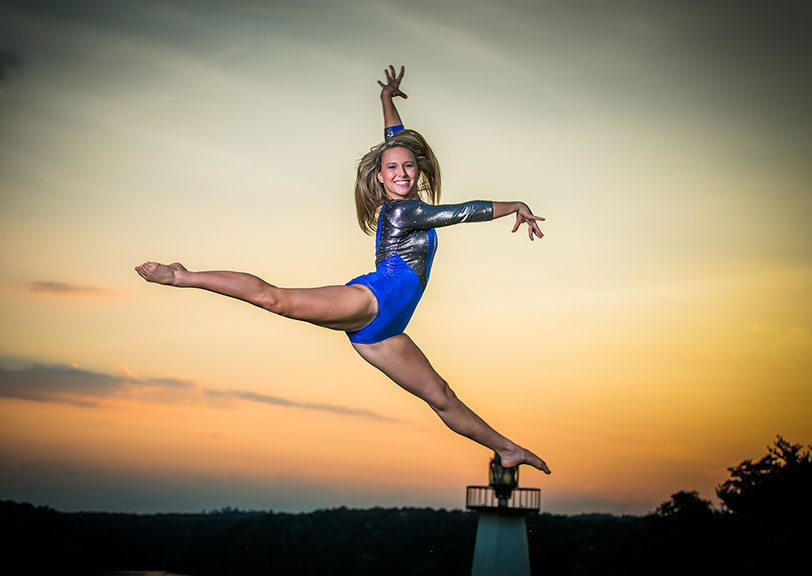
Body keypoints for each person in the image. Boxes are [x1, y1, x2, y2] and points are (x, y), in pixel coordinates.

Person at [136, 66, 550, 473]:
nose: (402, 172)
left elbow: (397, 141)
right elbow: (461, 212)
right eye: (392, 168)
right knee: (275, 300)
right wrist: (514, 205)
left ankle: (508, 449)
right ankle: (182, 276)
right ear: (380, 177)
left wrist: (386, 100)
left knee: (442, 396)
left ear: (417, 170)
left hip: (384, 332)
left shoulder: (407, 187)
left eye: (408, 166)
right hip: (373, 300)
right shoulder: (407, 211)